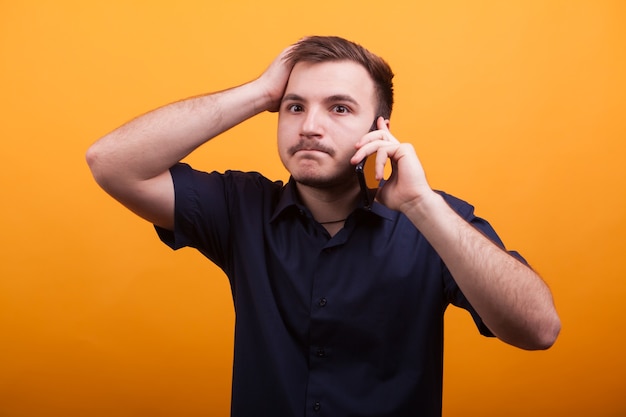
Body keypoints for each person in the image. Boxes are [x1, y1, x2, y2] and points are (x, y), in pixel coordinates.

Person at [86, 35, 560, 417]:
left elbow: (538, 330)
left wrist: (421, 204)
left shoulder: (433, 220)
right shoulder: (241, 208)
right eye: (294, 107)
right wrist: (261, 92)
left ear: (380, 128)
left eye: (339, 108)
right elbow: (111, 163)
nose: (309, 126)